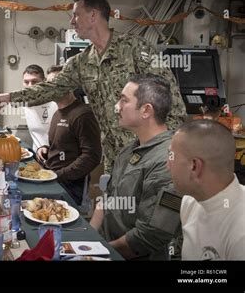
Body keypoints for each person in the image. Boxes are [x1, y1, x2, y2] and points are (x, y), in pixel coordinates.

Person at [0, 0, 186, 173]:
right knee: (115, 205)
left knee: (147, 205)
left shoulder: (136, 48)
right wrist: (10, 98)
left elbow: (172, 100)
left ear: (93, 15)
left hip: (147, 154)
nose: (71, 22)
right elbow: (51, 88)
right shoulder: (81, 62)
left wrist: (167, 148)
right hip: (115, 158)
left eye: (76, 15)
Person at [89, 74, 180, 260]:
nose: (117, 107)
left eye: (124, 100)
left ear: (146, 110)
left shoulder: (166, 161)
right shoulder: (130, 149)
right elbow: (108, 200)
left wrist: (100, 251)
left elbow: (149, 236)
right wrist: (88, 238)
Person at [168, 119, 245, 260]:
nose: (168, 165)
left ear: (194, 166)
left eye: (171, 156)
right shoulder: (190, 201)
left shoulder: (241, 232)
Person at [36, 66, 101, 206]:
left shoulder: (83, 115)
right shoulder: (57, 113)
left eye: (55, 82)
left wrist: (59, 175)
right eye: (48, 83)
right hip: (52, 177)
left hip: (70, 187)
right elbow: (63, 145)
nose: (49, 87)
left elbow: (92, 156)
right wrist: (46, 149)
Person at [22, 64, 57, 152]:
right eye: (26, 82)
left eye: (34, 82)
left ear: (44, 81)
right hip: (37, 156)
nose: (30, 86)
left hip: (57, 157)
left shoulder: (56, 103)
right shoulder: (25, 103)